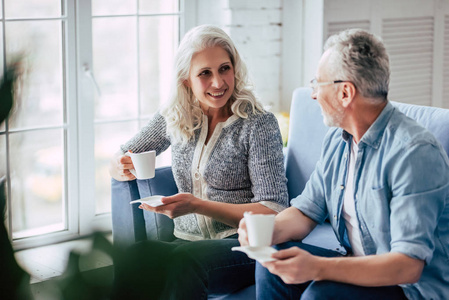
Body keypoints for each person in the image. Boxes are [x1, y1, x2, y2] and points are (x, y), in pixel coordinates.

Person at [238, 29, 449, 300]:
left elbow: (407, 266)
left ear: (345, 92)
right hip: (360, 266)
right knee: (275, 261)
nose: (313, 95)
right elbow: (306, 212)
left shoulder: (414, 153)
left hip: (412, 289)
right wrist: (266, 232)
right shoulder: (338, 142)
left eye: (318, 84)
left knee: (321, 294)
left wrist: (319, 267)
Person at [109, 24, 288, 299]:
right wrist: (118, 167)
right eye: (205, 73)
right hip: (187, 243)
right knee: (135, 256)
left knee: (185, 262)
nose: (218, 83)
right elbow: (124, 154)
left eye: (224, 69)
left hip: (242, 244)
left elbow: (274, 209)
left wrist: (197, 205)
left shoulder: (258, 124)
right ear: (186, 81)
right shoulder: (175, 115)